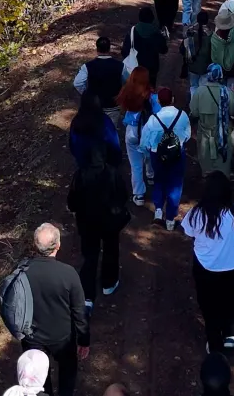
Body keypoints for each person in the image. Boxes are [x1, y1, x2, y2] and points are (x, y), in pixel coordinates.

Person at [183, 171, 234, 353]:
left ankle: (214, 342)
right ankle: (230, 335)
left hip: (205, 269)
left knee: (209, 305)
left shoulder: (196, 214)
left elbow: (189, 234)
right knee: (231, 300)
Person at [20, 224, 90, 396]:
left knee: (39, 378)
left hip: (32, 337)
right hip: (63, 338)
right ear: (58, 246)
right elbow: (79, 311)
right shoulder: (69, 274)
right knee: (67, 371)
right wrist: (84, 340)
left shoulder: (21, 272)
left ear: (35, 246)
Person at [66, 133, 129, 312]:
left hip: (87, 224)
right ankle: (109, 283)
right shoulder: (113, 173)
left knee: (89, 256)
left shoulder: (80, 174)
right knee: (111, 250)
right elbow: (123, 196)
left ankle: (87, 296)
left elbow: (72, 201)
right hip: (110, 222)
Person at [140, 87, 192, 230]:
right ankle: (170, 219)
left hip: (157, 154)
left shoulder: (153, 119)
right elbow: (187, 135)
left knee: (159, 180)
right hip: (176, 153)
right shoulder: (182, 115)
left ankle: (158, 211)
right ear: (172, 99)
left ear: (159, 101)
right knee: (175, 184)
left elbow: (145, 140)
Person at [117, 67, 159, 205]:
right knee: (149, 153)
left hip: (131, 130)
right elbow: (158, 114)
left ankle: (139, 195)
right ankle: (151, 175)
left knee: (135, 164)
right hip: (148, 130)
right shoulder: (152, 97)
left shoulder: (127, 93)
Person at [190, 64, 234, 178]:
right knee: (223, 165)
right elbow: (232, 111)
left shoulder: (199, 92)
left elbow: (194, 113)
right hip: (225, 134)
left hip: (206, 133)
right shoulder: (227, 92)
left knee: (207, 165)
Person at [72, 37, 129, 133]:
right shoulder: (120, 66)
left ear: (97, 49)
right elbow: (127, 81)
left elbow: (77, 83)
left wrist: (87, 94)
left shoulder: (87, 66)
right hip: (113, 105)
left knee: (96, 131)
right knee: (111, 130)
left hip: (95, 105)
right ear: (109, 49)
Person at [68, 92, 122, 170]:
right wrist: (116, 162)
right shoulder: (104, 121)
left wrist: (81, 161)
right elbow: (114, 144)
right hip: (105, 166)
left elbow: (72, 145)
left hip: (85, 167)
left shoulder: (76, 121)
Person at [120, 7, 167, 79]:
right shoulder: (156, 32)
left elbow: (125, 52)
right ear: (152, 19)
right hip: (152, 69)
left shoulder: (133, 31)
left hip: (135, 68)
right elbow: (164, 50)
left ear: (140, 18)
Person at [210, 10, 234, 93]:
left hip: (220, 71)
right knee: (233, 94)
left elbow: (213, 57)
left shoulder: (215, 37)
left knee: (220, 93)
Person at [183, 10, 214, 98]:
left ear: (197, 19)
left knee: (193, 87)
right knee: (203, 88)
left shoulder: (190, 31)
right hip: (205, 67)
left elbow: (185, 48)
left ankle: (193, 106)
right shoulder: (211, 34)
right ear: (207, 20)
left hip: (192, 66)